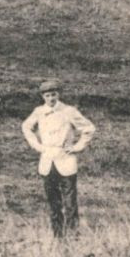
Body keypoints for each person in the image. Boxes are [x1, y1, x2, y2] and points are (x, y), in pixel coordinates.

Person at [21, 79, 95, 237]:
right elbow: (26, 127)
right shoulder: (39, 111)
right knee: (53, 201)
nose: (51, 98)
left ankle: (73, 235)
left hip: (65, 159)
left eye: (54, 94)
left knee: (70, 201)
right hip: (47, 160)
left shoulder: (69, 111)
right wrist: (38, 146)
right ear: (43, 97)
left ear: (59, 94)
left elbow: (88, 128)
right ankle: (57, 236)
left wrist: (76, 147)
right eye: (47, 95)